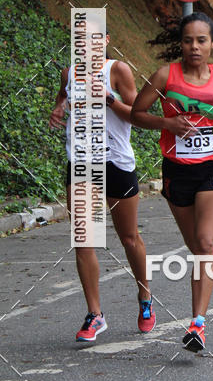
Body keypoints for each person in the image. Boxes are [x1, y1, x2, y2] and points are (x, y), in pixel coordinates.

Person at [131, 12, 213, 352]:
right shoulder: (164, 75)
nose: (195, 47)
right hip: (177, 173)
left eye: (202, 40)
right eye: (188, 40)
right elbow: (136, 114)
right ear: (180, 43)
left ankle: (198, 324)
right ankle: (210, 254)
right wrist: (167, 124)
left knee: (203, 240)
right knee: (198, 247)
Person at [50, 29, 155, 344]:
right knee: (85, 239)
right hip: (81, 163)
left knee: (129, 237)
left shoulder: (117, 70)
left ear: (106, 41)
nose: (87, 45)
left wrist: (109, 99)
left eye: (94, 39)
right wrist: (59, 109)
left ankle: (145, 298)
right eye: (80, 39)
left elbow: (138, 116)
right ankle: (95, 314)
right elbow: (63, 97)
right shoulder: (69, 73)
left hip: (116, 162)